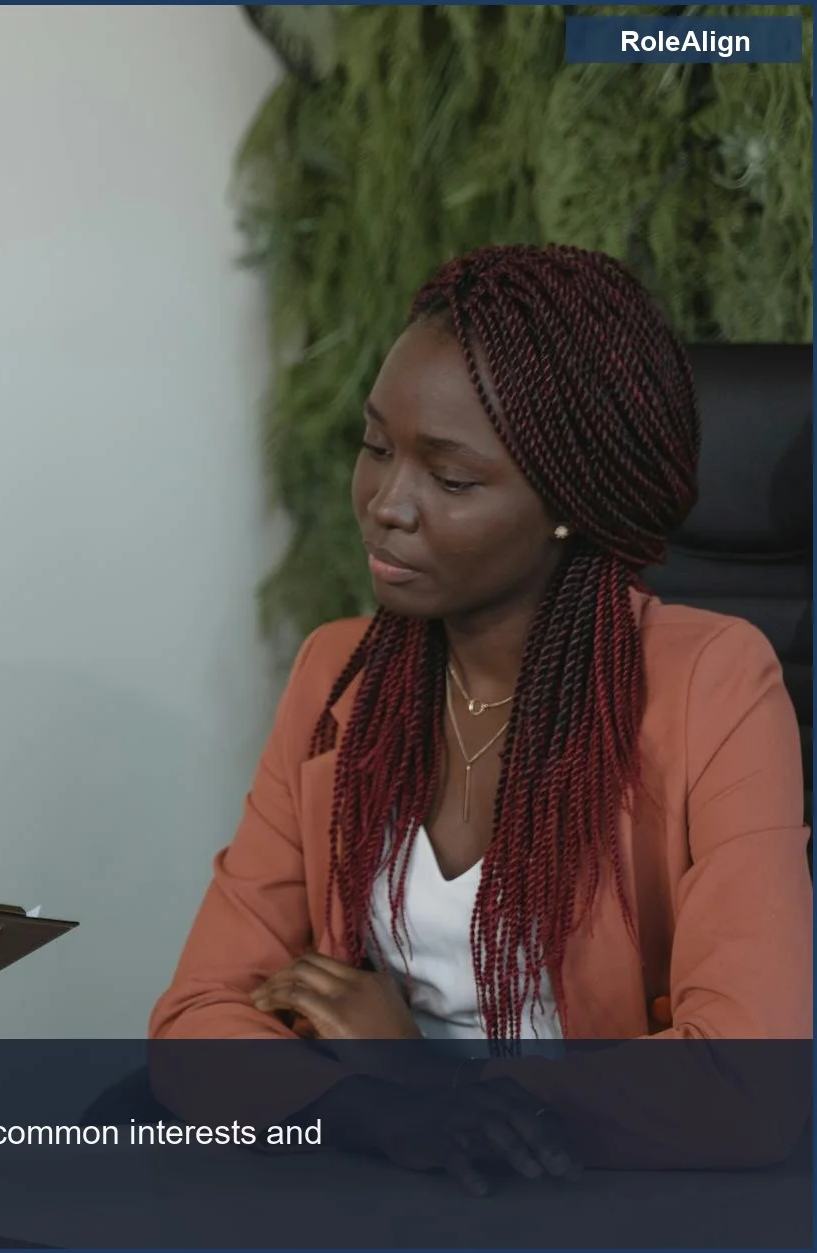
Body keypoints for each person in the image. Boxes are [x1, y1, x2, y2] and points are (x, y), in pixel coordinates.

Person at [148, 244, 811, 1185]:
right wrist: (382, 1106)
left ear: (570, 503)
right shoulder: (339, 675)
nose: (386, 504)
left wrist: (422, 1069)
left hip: (593, 1178)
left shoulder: (715, 684)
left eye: (450, 480)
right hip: (392, 1159)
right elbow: (196, 1017)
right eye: (376, 446)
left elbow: (751, 1087)